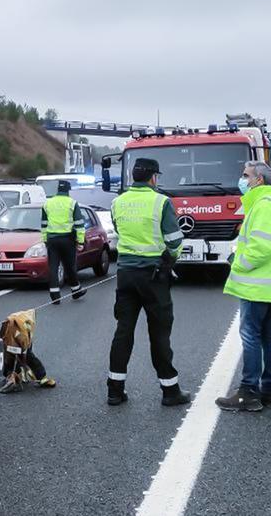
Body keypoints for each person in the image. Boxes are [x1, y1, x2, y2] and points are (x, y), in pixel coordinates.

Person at [106, 158, 191, 407]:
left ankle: (114, 390)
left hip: (125, 275)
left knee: (123, 332)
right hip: (154, 275)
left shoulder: (117, 202)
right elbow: (175, 241)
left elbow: (120, 232)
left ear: (133, 176)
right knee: (159, 334)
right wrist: (169, 259)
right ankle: (170, 390)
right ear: (154, 178)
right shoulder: (161, 202)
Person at [216, 161, 271, 412]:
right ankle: (270, 392)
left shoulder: (262, 205)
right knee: (269, 336)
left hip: (257, 284)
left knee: (251, 337)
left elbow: (262, 247)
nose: (242, 180)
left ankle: (248, 392)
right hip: (270, 284)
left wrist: (238, 264)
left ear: (259, 180)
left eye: (245, 175)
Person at [40, 180, 86, 304]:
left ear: (58, 190)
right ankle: (76, 291)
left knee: (53, 267)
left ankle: (55, 295)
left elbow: (43, 224)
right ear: (68, 190)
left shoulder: (48, 203)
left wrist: (45, 239)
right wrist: (81, 241)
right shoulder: (72, 203)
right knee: (70, 265)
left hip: (52, 239)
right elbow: (79, 224)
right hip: (67, 239)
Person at [0, 309, 57, 394]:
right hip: (12, 338)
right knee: (13, 357)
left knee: (26, 356)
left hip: (20, 337)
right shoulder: (14, 325)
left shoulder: (23, 325)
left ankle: (38, 376)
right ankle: (13, 375)